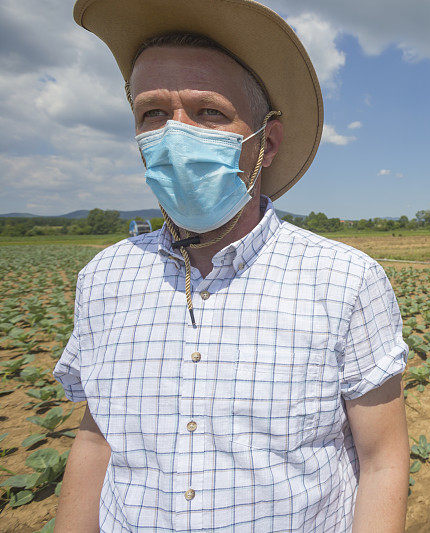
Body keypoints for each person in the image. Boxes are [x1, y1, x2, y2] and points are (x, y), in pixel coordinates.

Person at [52, 1, 410, 531]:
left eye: (208, 113)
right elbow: (97, 436)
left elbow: (382, 461)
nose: (175, 135)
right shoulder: (103, 280)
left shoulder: (346, 281)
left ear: (267, 143)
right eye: (153, 113)